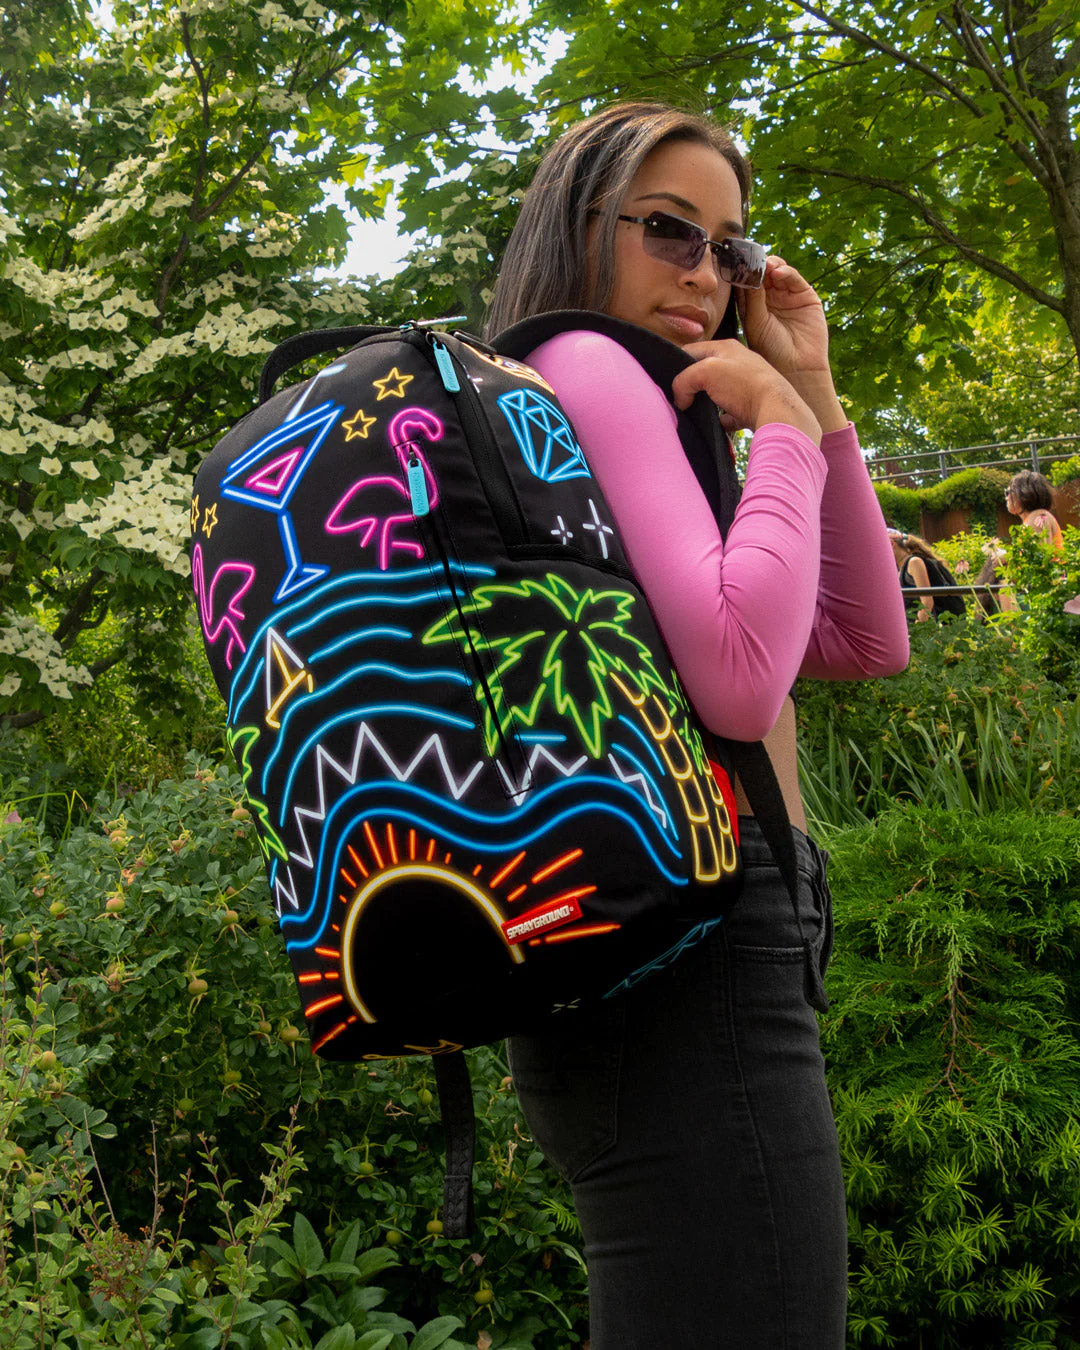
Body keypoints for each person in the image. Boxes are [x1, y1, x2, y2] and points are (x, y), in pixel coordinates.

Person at [486, 102, 908, 1348]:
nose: (707, 275)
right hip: (694, 947)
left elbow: (859, 639)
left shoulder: (628, 403)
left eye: (731, 248)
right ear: (581, 225)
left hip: (676, 946)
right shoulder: (588, 364)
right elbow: (736, 678)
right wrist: (779, 429)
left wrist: (811, 393)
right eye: (670, 230)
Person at [887, 528, 965, 621]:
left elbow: (927, 601)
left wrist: (918, 626)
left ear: (891, 544)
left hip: (931, 624)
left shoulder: (914, 562)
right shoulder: (900, 569)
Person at [1005, 470, 1064, 553]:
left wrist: (1004, 556)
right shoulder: (1033, 517)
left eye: (1008, 492)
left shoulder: (1038, 516)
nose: (1006, 498)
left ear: (1022, 494)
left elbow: (1039, 555)